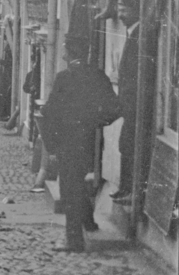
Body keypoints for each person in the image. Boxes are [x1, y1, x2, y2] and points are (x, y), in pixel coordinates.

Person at [41, 35, 122, 252]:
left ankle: (74, 240)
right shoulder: (98, 76)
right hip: (89, 141)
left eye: (65, 48)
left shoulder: (64, 78)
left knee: (70, 189)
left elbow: (50, 111)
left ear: (69, 52)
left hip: (67, 141)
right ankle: (89, 222)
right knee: (77, 184)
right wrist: (95, 122)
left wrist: (51, 142)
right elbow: (115, 108)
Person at [112, 0, 140, 205]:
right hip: (129, 108)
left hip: (136, 109)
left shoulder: (140, 37)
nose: (120, 15)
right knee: (125, 146)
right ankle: (124, 188)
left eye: (124, 10)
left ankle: (129, 190)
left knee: (130, 147)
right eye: (119, 10)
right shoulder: (133, 34)